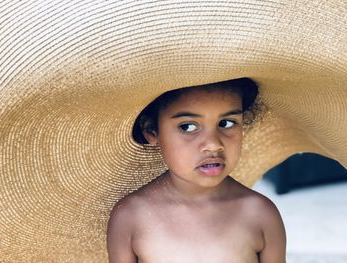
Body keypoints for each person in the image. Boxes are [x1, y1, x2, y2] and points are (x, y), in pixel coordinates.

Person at [107, 78, 286, 262]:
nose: (213, 145)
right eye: (188, 127)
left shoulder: (260, 214)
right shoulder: (130, 217)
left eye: (226, 123)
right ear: (151, 130)